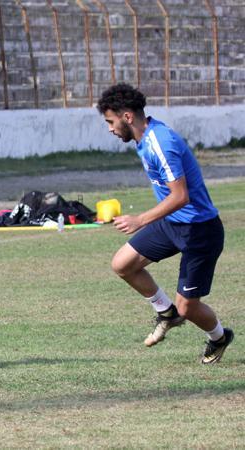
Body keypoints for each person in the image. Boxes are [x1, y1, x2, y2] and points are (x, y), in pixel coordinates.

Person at [96, 83, 233, 364]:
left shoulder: (160, 142)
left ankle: (219, 337)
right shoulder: (144, 138)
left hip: (200, 230)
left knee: (188, 308)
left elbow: (181, 196)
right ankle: (166, 312)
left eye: (110, 121)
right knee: (122, 264)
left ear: (127, 117)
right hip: (172, 223)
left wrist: (140, 220)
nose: (109, 129)